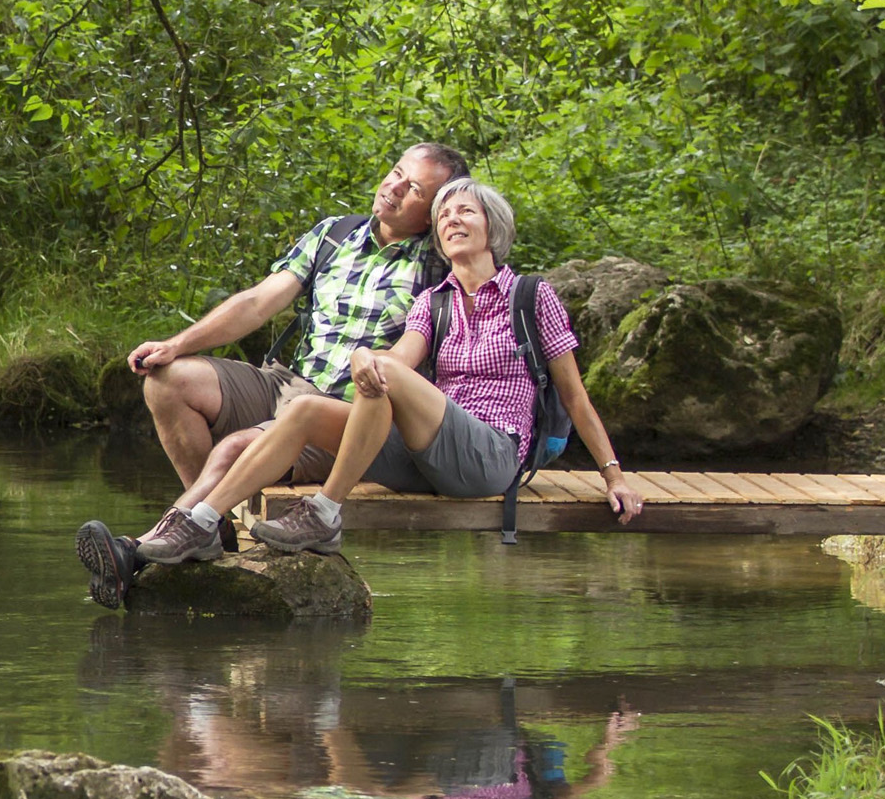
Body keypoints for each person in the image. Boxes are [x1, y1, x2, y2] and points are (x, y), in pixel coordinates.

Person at [144, 175, 645, 561]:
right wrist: (365, 358)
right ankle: (201, 521)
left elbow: (575, 396)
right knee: (303, 411)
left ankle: (324, 511)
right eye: (443, 214)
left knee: (384, 375)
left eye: (465, 211)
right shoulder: (433, 302)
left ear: (493, 226)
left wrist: (614, 477)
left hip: (491, 456)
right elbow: (399, 359)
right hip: (426, 456)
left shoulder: (531, 296)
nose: (451, 219)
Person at [75, 142, 467, 608]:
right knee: (167, 380)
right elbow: (258, 302)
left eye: (414, 188)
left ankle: (140, 549)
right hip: (288, 384)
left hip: (353, 415)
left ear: (434, 212)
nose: (394, 188)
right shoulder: (335, 234)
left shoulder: (442, 267)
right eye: (397, 172)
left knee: (238, 447)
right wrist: (176, 344)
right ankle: (211, 525)